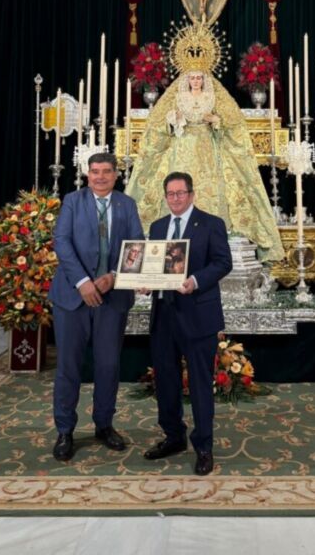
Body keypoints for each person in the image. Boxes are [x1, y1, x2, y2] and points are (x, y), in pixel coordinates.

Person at [126, 70, 284, 263]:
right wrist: (173, 120)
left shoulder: (212, 97)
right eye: (192, 78)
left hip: (207, 148)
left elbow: (225, 125)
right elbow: (163, 127)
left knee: (211, 187)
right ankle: (176, 234)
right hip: (182, 147)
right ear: (187, 80)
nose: (196, 81)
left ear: (204, 80)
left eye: (199, 77)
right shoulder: (178, 97)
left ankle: (213, 233)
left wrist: (216, 122)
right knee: (178, 184)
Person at [49, 153, 144, 461]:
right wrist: (83, 283)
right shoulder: (73, 201)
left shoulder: (126, 205)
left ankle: (104, 425)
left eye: (106, 172)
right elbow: (61, 242)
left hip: (111, 298)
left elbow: (137, 246)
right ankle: (65, 430)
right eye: (94, 172)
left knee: (108, 366)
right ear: (87, 174)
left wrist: (114, 276)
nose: (100, 177)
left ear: (116, 175)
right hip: (73, 298)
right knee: (68, 367)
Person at [143, 171, 232, 476]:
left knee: (199, 385)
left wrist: (195, 281)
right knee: (166, 382)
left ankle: (204, 446)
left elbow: (223, 263)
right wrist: (144, 282)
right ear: (165, 196)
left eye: (181, 193)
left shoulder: (211, 224)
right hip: (163, 316)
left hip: (198, 316)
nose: (176, 199)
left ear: (192, 195)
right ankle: (173, 436)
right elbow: (152, 267)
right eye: (171, 194)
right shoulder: (156, 227)